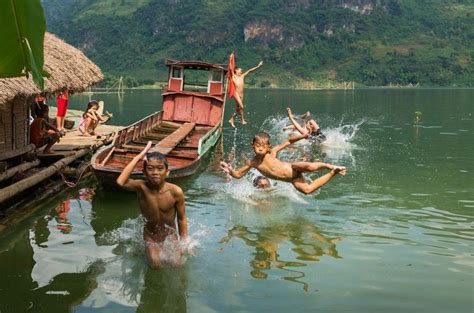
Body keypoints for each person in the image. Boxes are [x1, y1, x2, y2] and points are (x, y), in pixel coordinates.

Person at [116, 141, 187, 268]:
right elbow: (121, 181)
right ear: (144, 172)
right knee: (155, 265)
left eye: (160, 169)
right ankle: (146, 250)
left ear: (167, 172)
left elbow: (181, 219)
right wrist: (138, 157)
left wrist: (184, 243)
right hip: (151, 235)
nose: (155, 172)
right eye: (150, 168)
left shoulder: (176, 192)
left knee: (177, 264)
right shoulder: (141, 187)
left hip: (170, 234)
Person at [220, 131, 345, 194]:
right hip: (292, 179)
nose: (260, 147)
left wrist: (303, 136)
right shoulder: (252, 163)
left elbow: (288, 141)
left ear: (269, 147)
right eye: (257, 145)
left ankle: (328, 165)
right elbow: (238, 175)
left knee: (308, 167)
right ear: (252, 145)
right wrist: (230, 170)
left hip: (294, 168)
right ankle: (333, 172)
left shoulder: (272, 152)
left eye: (264, 145)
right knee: (307, 190)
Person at [228, 54, 263, 127]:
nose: (241, 71)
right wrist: (230, 58)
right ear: (236, 70)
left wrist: (258, 66)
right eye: (240, 70)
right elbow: (231, 68)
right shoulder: (234, 76)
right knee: (242, 106)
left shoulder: (242, 76)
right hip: (235, 93)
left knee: (239, 109)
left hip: (241, 95)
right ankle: (238, 119)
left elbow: (250, 71)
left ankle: (235, 119)